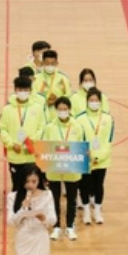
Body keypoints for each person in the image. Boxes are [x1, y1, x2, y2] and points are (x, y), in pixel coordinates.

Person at [42, 97, 85, 241]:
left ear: (69, 109)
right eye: (59, 109)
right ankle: (56, 226)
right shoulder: (49, 127)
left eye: (65, 109)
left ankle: (70, 226)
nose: (62, 112)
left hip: (72, 169)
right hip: (54, 168)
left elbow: (81, 146)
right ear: (55, 110)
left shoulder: (77, 127)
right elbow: (45, 146)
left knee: (72, 199)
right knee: (54, 199)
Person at [0, 76, 46, 189]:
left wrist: (31, 141)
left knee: (35, 186)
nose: (23, 92)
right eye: (20, 89)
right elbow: (2, 129)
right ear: (15, 90)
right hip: (15, 155)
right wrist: (11, 144)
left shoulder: (38, 108)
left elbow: (42, 128)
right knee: (17, 186)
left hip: (32, 155)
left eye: (26, 90)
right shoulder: (7, 109)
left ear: (30, 90)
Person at [77, 88, 113, 225]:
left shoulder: (108, 119)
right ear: (87, 101)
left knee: (99, 185)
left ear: (100, 102)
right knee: (84, 185)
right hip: (85, 158)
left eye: (96, 100)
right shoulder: (80, 119)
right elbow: (78, 139)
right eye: (91, 100)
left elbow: (109, 141)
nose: (94, 103)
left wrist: (98, 157)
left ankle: (97, 211)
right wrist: (87, 154)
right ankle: (86, 211)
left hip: (102, 160)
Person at [32, 50, 71, 121]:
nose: (50, 65)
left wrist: (58, 101)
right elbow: (33, 96)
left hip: (58, 116)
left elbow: (69, 96)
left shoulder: (63, 78)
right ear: (42, 62)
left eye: (52, 63)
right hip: (41, 116)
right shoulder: (36, 78)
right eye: (47, 63)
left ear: (57, 63)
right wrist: (46, 102)